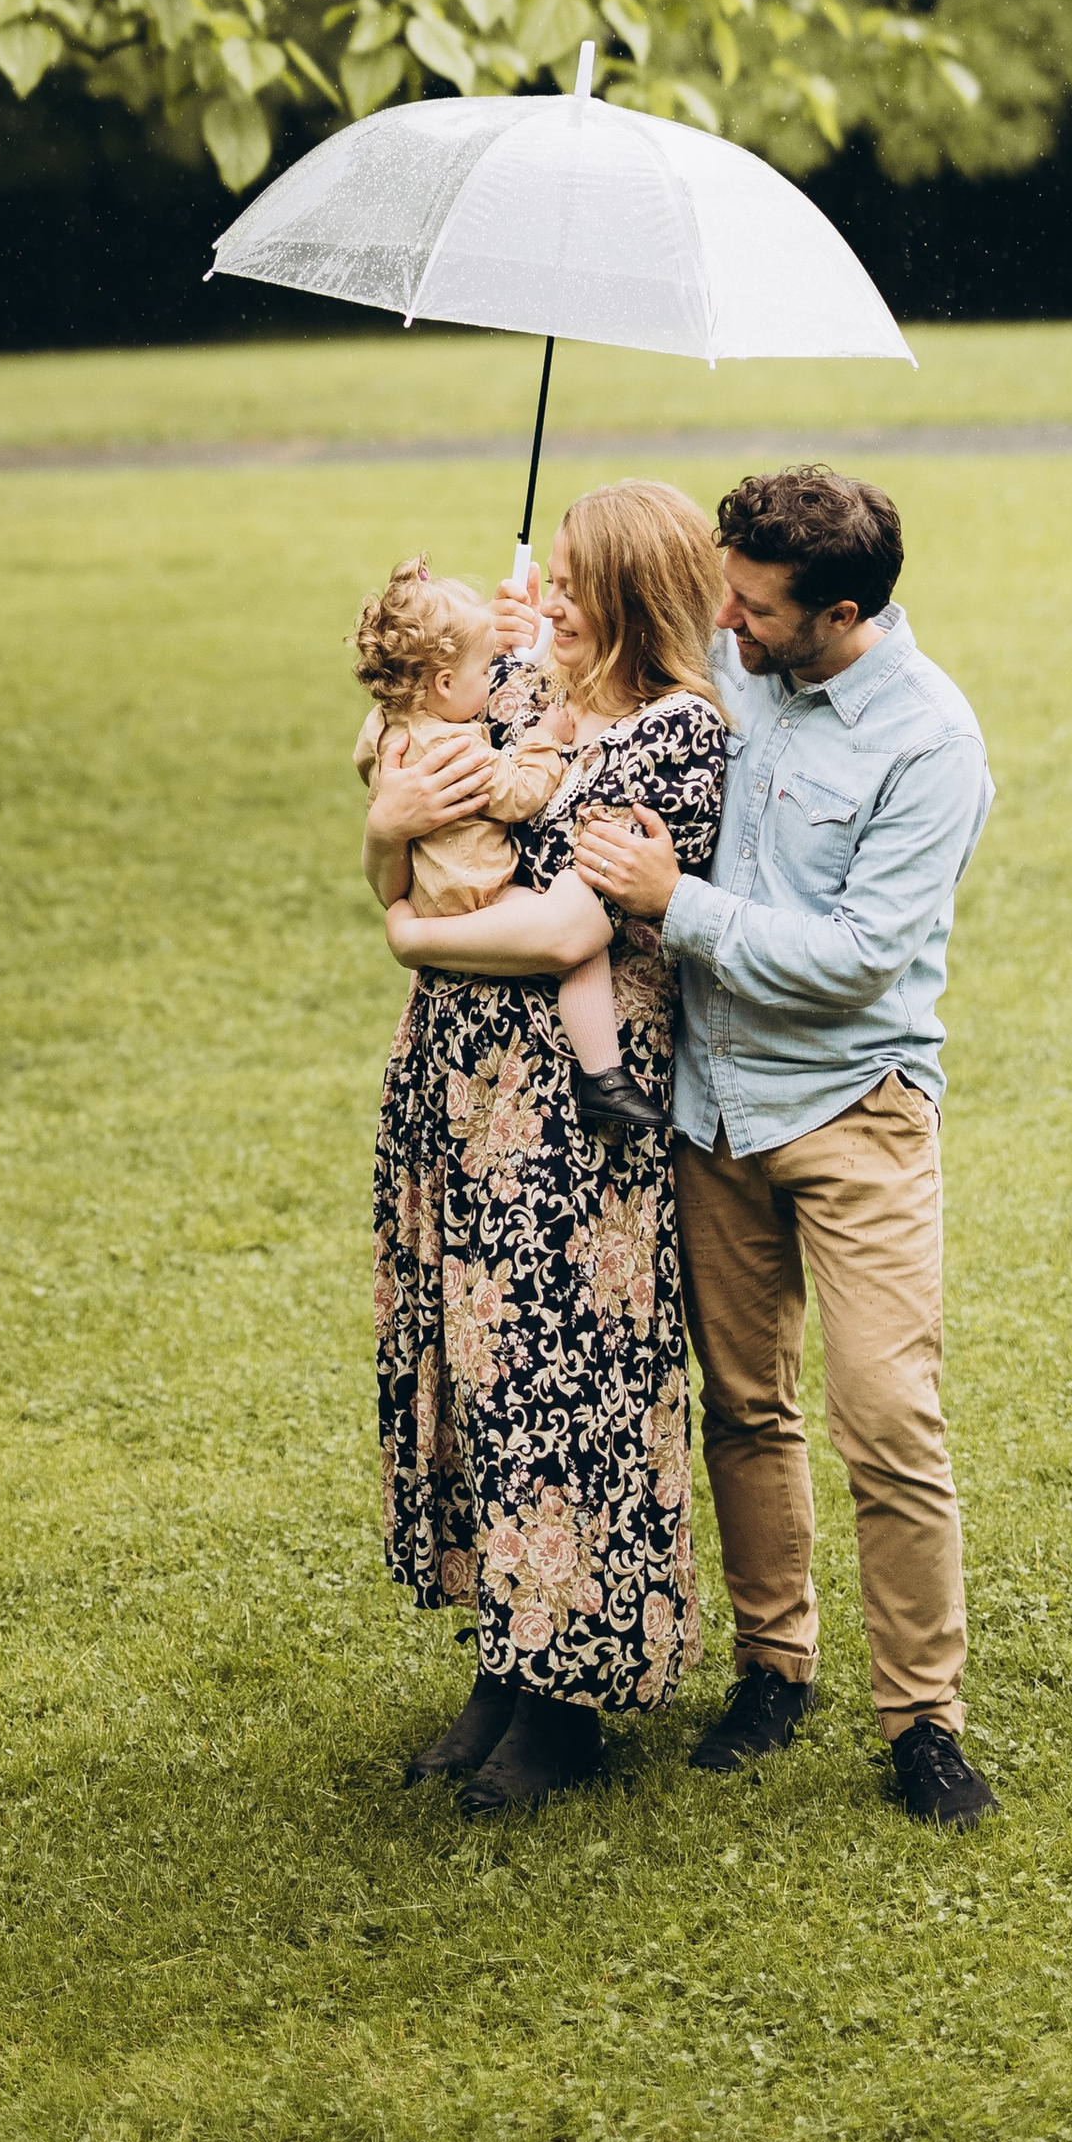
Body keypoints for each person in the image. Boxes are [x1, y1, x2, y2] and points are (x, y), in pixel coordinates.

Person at [565, 464, 1001, 1831]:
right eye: (724, 600)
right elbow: (612, 660)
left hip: (852, 1113)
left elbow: (868, 960)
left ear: (843, 610)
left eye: (753, 612)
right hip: (711, 1113)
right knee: (745, 1407)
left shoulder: (929, 743)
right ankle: (772, 1668)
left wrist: (673, 903)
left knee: (889, 1422)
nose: (727, 630)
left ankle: (923, 1722)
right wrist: (535, 618)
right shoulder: (729, 664)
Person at [361, 480, 729, 1812]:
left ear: (633, 594)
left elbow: (569, 932)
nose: (545, 596)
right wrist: (381, 839)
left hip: (571, 1116)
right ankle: (505, 1663)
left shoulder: (676, 742)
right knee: (478, 1369)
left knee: (565, 1377)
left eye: (573, 580)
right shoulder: (514, 691)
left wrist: (410, 935)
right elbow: (400, 837)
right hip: (453, 1093)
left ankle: (571, 1695)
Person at [350, 557, 658, 1142]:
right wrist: (544, 742)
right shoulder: (455, 753)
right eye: (482, 669)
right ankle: (603, 1078)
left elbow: (365, 761)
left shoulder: (389, 726)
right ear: (444, 684)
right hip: (476, 892)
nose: (491, 679)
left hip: (429, 890)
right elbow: (518, 794)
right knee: (580, 948)